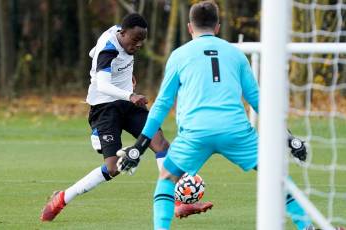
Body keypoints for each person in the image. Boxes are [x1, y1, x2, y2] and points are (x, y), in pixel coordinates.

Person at [116, 2, 317, 230]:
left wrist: (140, 146)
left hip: (196, 133)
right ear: (218, 27)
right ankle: (306, 226)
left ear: (190, 27)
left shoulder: (179, 55)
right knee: (276, 176)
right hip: (236, 132)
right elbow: (259, 102)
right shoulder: (236, 54)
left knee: (167, 180)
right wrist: (289, 138)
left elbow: (162, 104)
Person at [40, 13, 212, 222]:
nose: (138, 45)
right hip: (105, 108)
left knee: (160, 143)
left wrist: (124, 80)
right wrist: (129, 94)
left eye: (142, 40)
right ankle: (62, 198)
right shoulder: (108, 49)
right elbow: (103, 84)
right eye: (135, 40)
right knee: (113, 168)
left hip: (128, 105)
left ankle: (176, 203)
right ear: (122, 33)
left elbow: (91, 52)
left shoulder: (121, 34)